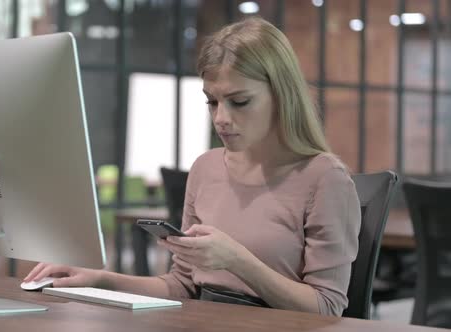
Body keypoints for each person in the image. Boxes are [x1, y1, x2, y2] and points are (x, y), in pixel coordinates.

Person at [24, 17, 361, 317]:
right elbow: (181, 285)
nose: (221, 119)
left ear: (282, 95)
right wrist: (99, 279)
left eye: (239, 102)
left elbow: (326, 308)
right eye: (212, 102)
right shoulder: (206, 168)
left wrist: (236, 260)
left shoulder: (324, 178)